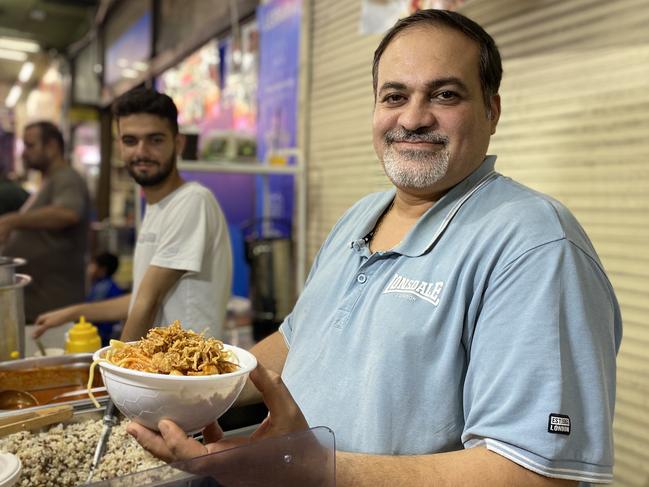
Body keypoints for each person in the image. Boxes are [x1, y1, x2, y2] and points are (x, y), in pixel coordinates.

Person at [128, 10, 622, 487]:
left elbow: (533, 474)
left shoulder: (533, 243)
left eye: (445, 94)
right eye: (394, 96)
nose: (413, 117)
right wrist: (188, 390)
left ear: (492, 110)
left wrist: (311, 468)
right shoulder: (359, 215)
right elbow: (295, 343)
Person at [32, 89, 233, 342]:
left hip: (185, 373)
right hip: (162, 370)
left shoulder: (192, 201)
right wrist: (76, 312)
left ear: (178, 143)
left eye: (155, 140)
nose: (142, 152)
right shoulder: (156, 207)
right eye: (130, 141)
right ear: (119, 146)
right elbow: (141, 295)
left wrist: (116, 371)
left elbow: (148, 301)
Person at [0, 121, 90, 322]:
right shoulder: (50, 181)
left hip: (55, 309)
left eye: (30, 145)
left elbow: (68, 213)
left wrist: (13, 220)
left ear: (52, 146)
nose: (24, 153)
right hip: (40, 308)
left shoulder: (67, 178)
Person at [86, 252, 124, 346]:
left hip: (102, 337)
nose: (89, 268)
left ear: (102, 269)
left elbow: (91, 313)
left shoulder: (102, 288)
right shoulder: (109, 284)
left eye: (93, 264)